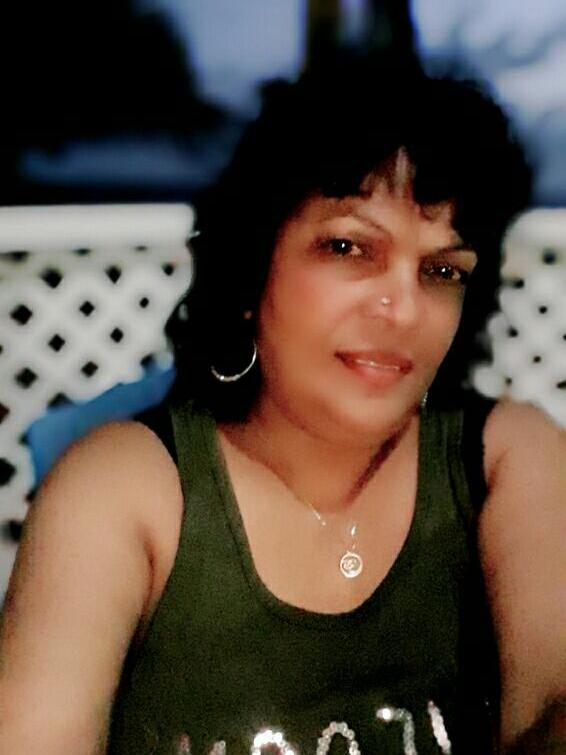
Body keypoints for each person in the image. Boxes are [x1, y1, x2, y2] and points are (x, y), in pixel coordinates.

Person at [0, 55, 564, 755]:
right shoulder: (123, 489)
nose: (404, 307)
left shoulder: (507, 457)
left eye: (441, 270)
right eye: (348, 247)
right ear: (251, 269)